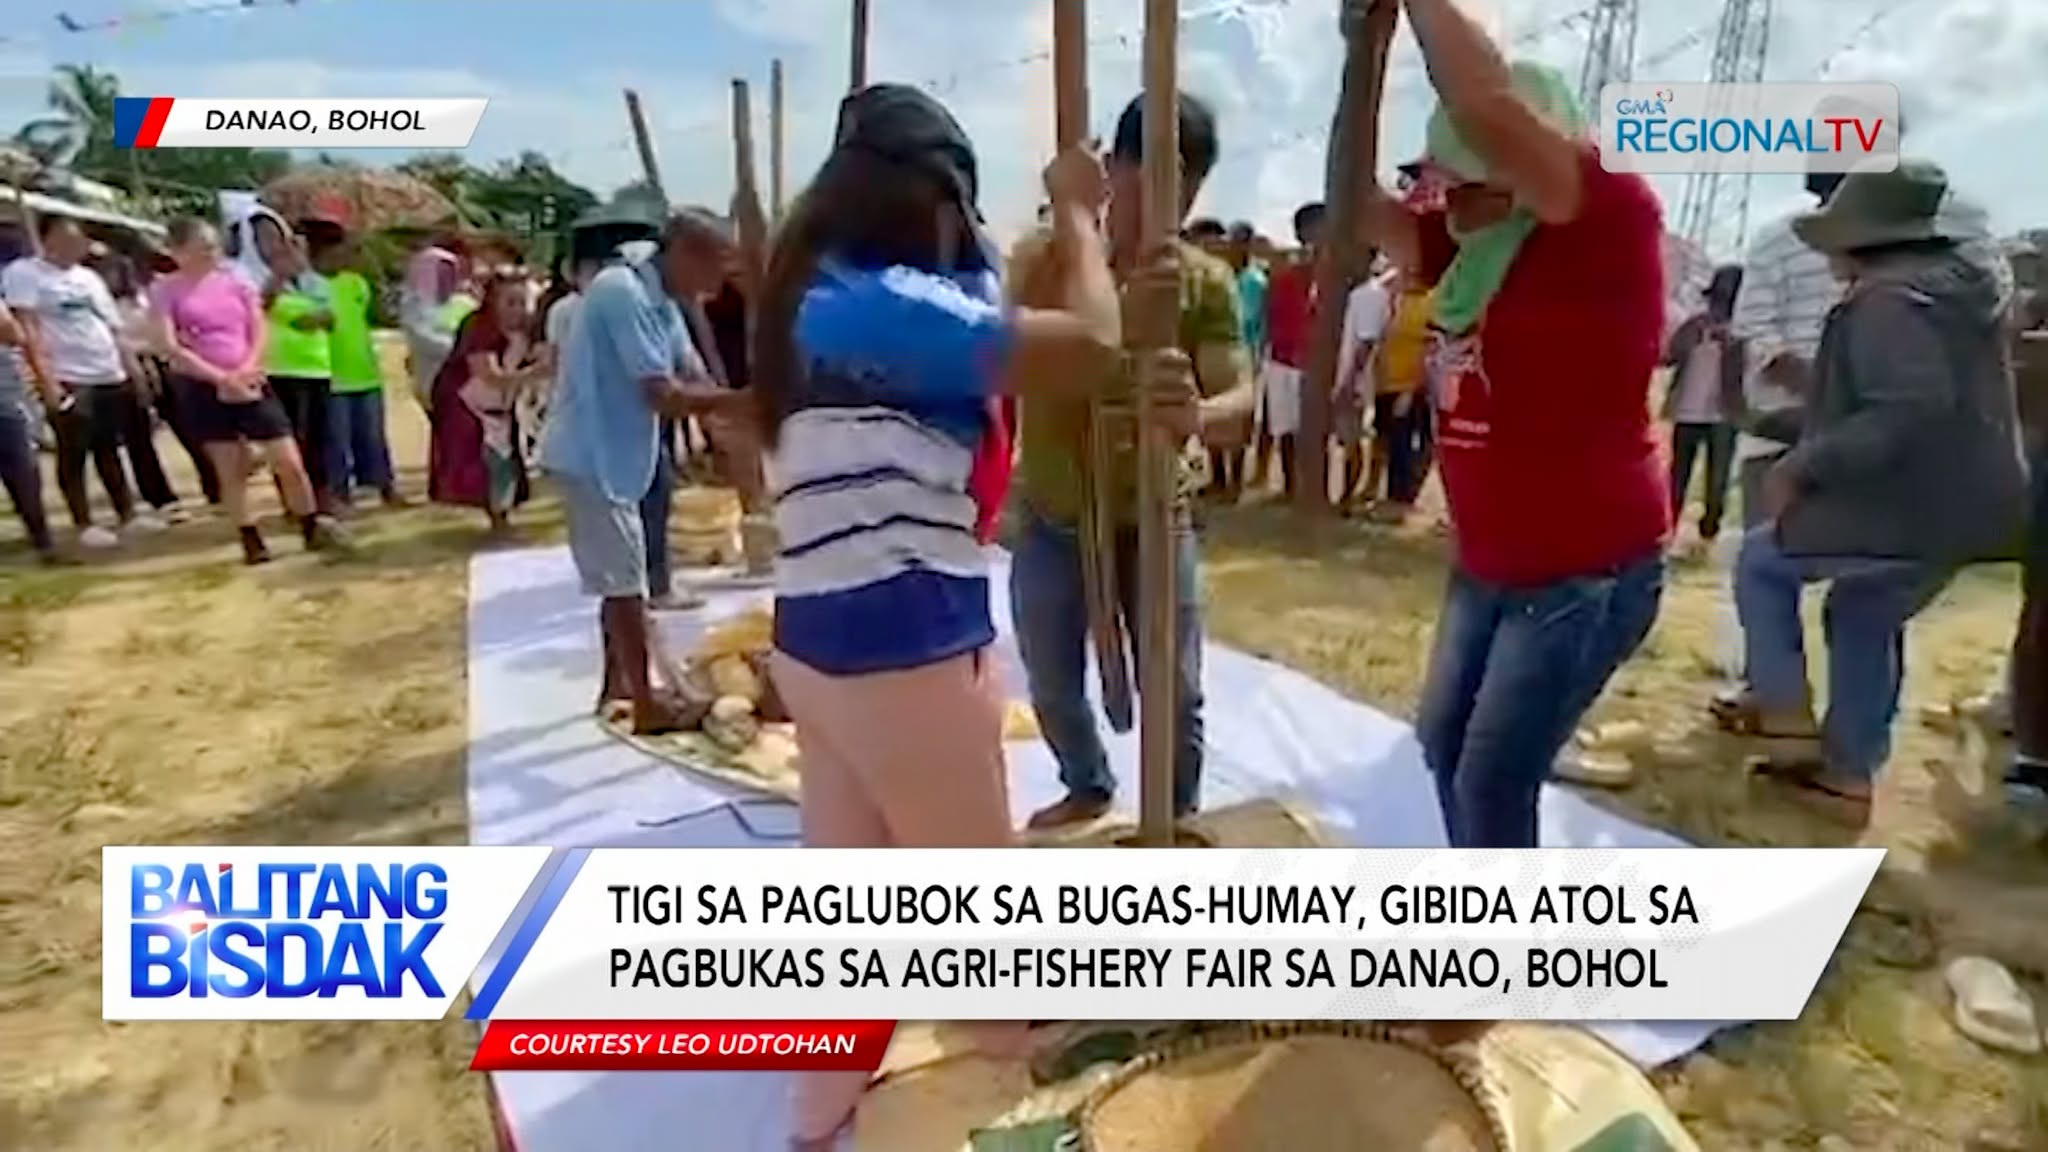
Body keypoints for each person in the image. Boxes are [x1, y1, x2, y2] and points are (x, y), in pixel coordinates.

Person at [754, 82, 1135, 1151]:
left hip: (819, 645)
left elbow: (973, 293)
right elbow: (1091, 349)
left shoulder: (813, 294)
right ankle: (1014, 1122)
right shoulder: (883, 307)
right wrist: (1081, 220)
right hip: (903, 640)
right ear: (918, 199)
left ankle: (817, 1117)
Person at [1366, 11, 1669, 848]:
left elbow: (1485, 102)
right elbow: (1358, 200)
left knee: (1492, 778)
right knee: (1442, 749)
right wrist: (1364, 55)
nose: (1447, 198)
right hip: (1490, 559)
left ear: (1533, 157)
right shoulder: (1470, 246)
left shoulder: (1605, 220)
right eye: (1445, 180)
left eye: (1471, 178)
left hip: (1582, 569)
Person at [1734, 160, 2029, 828]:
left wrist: (1801, 467)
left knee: (1761, 561)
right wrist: (1787, 413)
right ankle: (1847, 777)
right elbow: (1886, 397)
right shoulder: (1955, 295)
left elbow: (1908, 408)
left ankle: (1783, 721)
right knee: (1865, 613)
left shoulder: (1887, 304)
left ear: (1859, 238)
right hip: (1970, 507)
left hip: (1908, 507)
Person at [1008, 90, 1255, 830]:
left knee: (1175, 688)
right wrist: (1114, 314)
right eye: (1150, 180)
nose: (1167, 205)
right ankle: (1086, 780)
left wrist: (1193, 415)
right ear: (1110, 171)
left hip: (1154, 511)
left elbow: (1240, 404)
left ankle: (1174, 815)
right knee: (1051, 677)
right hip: (1056, 507)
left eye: (1187, 188)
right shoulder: (1045, 260)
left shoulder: (1202, 281)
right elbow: (1017, 360)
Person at [540, 207, 745, 732]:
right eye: (718, 267)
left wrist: (732, 428)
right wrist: (741, 404)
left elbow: (691, 372)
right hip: (593, 453)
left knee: (620, 576)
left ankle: (619, 686)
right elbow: (662, 394)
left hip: (625, 452)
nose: (721, 283)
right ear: (687, 254)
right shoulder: (619, 291)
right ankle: (648, 706)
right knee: (627, 582)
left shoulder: (664, 299)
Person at [149, 216, 342, 564]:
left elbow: (257, 326)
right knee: (231, 467)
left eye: (214, 246)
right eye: (202, 248)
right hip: (201, 385)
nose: (212, 253)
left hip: (249, 377)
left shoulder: (234, 280)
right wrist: (219, 378)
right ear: (178, 251)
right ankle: (250, 537)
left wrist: (248, 367)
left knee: (288, 460)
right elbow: (169, 344)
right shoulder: (166, 289)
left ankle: (311, 525)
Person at [3, 214, 159, 549]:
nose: (75, 246)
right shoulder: (25, 274)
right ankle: (83, 521)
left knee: (108, 446)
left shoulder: (88, 278)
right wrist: (47, 379)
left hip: (105, 369)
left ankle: (127, 512)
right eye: (65, 238)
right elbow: (27, 328)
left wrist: (131, 366)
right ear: (46, 239)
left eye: (78, 240)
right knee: (74, 450)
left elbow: (111, 324)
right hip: (68, 373)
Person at [431, 276, 541, 536]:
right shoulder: (479, 329)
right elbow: (491, 376)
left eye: (524, 302)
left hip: (501, 408)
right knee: (486, 464)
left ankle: (501, 515)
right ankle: (498, 520)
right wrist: (540, 372)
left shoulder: (527, 332)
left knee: (504, 462)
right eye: (511, 302)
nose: (519, 309)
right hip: (468, 405)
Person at [309, 226, 404, 510]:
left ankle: (385, 487)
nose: (348, 256)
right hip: (331, 375)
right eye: (343, 251)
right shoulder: (308, 284)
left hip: (365, 372)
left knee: (374, 436)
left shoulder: (356, 283)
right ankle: (340, 494)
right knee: (336, 440)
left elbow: (376, 316)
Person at [95, 248, 187, 523]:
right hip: (125, 365)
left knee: (185, 423)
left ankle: (213, 483)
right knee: (138, 437)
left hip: (161, 360)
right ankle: (160, 497)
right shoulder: (104, 304)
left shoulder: (151, 294)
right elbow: (116, 338)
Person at [1661, 265, 1746, 551]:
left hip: (1724, 413)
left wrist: (1732, 343)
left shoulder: (1745, 331)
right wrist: (1691, 338)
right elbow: (1669, 356)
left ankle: (1709, 530)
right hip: (1687, 411)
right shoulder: (1695, 324)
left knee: (1718, 478)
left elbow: (1753, 368)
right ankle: (1668, 528)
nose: (1718, 306)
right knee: (1678, 474)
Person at [1259, 202, 1323, 499]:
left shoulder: (1336, 276)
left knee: (1315, 430)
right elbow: (1269, 317)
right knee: (1285, 429)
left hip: (1316, 364)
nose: (1314, 235)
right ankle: (1290, 487)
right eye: (1308, 228)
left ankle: (1313, 487)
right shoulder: (1283, 277)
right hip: (1282, 361)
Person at [1210, 220, 1266, 503]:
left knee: (1240, 422)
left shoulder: (1254, 281)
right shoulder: (1222, 277)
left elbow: (1255, 324)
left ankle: (1236, 482)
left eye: (1236, 242)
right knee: (1214, 418)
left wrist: (1255, 362)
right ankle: (1217, 479)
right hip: (1217, 355)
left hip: (1244, 355)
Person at [0, 298, 59, 562]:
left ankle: (42, 540)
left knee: (22, 470)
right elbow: (12, 332)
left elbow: (13, 333)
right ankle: (42, 541)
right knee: (22, 468)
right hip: (6, 399)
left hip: (6, 397)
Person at [1332, 267, 1390, 510]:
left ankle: (1347, 498)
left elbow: (1367, 342)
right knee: (1348, 441)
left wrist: (1349, 383)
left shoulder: (1368, 294)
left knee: (1353, 440)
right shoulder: (1355, 292)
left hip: (1356, 380)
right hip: (1348, 375)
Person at [401, 242, 471, 411]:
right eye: (441, 274)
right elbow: (428, 342)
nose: (447, 279)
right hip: (432, 384)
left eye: (450, 274)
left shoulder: (464, 302)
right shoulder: (415, 308)